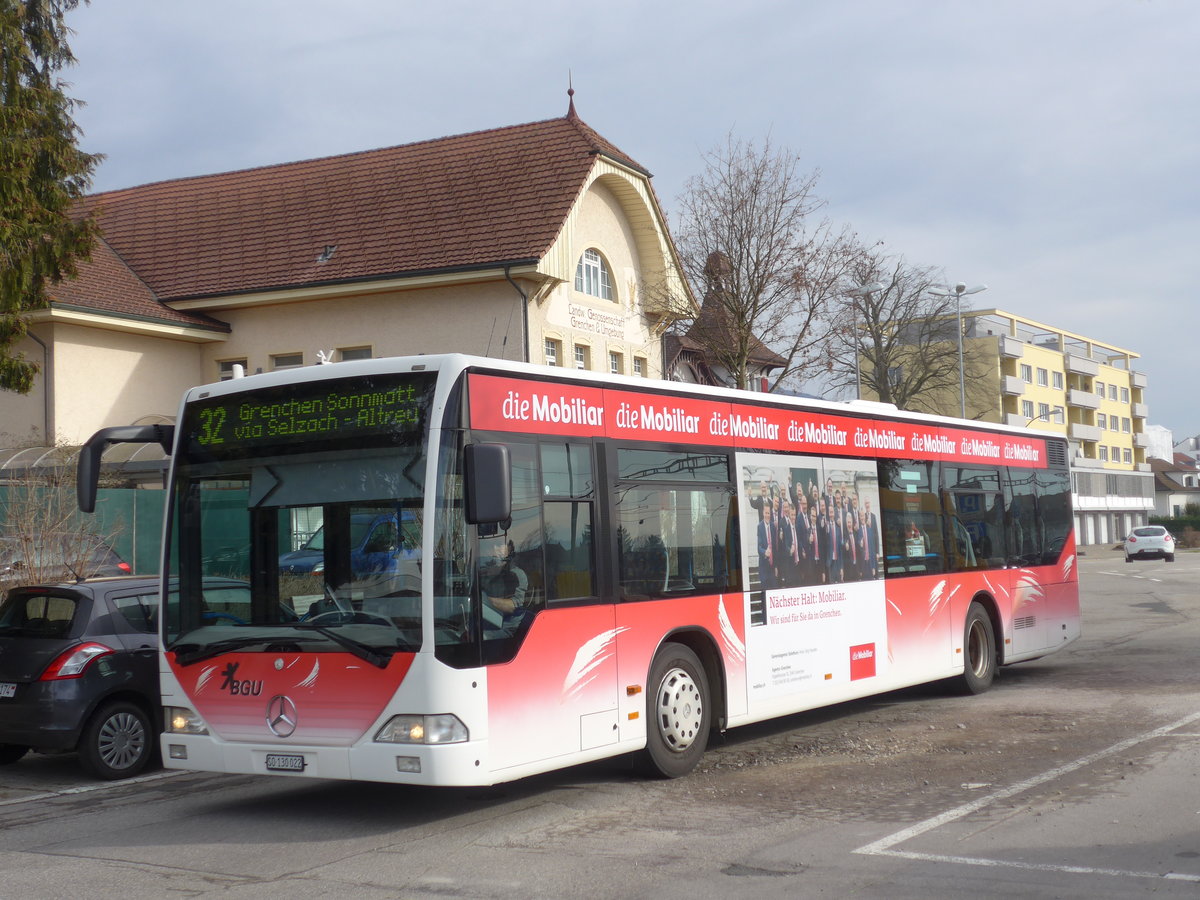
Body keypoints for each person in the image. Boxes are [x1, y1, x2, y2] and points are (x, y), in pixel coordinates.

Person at [479, 538, 527, 629]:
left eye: (500, 545)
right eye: (495, 545)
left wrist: (483, 600)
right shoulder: (489, 572)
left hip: (508, 628)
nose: (496, 549)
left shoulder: (517, 575)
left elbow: (514, 606)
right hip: (486, 622)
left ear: (509, 550)